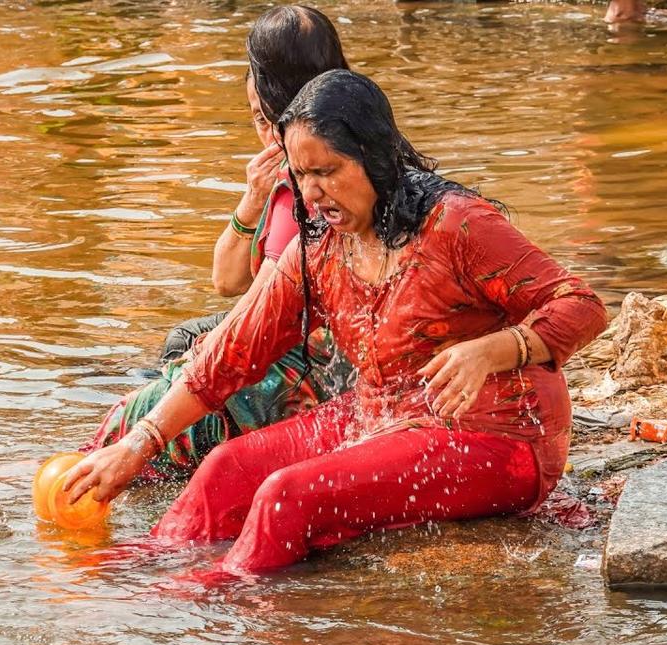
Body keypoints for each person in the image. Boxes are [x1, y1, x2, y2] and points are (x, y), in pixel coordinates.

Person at [65, 70, 608, 574]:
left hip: (499, 437)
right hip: (381, 414)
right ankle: (141, 574)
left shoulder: (457, 226)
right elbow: (228, 355)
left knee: (287, 498)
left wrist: (493, 350)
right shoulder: (317, 251)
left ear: (374, 159)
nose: (312, 193)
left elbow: (581, 305)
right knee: (225, 468)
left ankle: (203, 605)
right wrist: (137, 445)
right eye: (301, 175)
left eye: (327, 171)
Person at [80, 5, 353, 480]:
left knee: (143, 406)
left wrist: (157, 417)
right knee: (183, 339)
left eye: (260, 116)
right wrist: (252, 200)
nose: (260, 130)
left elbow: (261, 322)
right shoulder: (344, 142)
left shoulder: (306, 182)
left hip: (318, 360)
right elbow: (226, 280)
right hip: (327, 342)